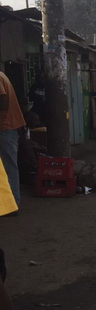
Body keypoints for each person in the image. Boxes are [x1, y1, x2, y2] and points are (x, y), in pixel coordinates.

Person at [0, 72, 25, 209]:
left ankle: (12, 204)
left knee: (8, 167)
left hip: (5, 127)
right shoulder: (2, 76)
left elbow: (2, 102)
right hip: (7, 128)